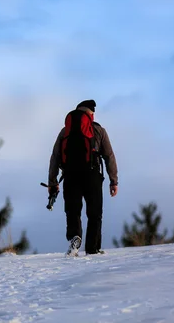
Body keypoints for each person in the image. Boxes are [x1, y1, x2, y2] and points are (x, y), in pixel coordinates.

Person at [47, 99, 118, 256]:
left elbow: (55, 157)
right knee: (94, 213)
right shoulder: (99, 130)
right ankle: (93, 248)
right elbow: (109, 156)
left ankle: (75, 237)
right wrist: (114, 181)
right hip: (92, 175)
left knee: (73, 210)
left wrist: (52, 182)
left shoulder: (64, 131)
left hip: (70, 174)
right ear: (91, 114)